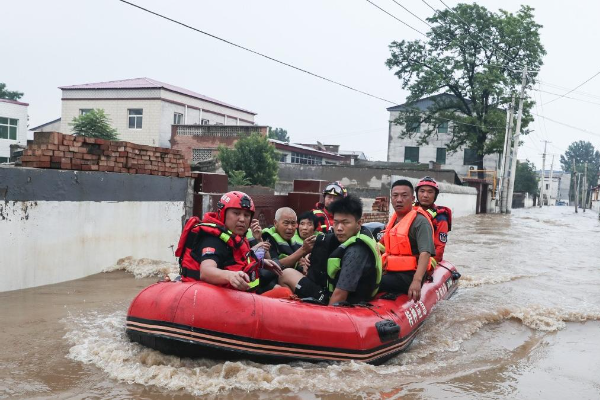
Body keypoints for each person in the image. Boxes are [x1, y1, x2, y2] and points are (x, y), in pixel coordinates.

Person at [279, 195, 382, 305]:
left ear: (359, 223)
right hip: (328, 290)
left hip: (346, 302)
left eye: (345, 222)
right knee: (285, 273)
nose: (339, 228)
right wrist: (310, 258)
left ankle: (299, 312)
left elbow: (340, 294)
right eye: (336, 222)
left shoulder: (356, 251)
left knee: (285, 275)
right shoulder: (347, 236)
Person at [175, 191, 282, 291]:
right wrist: (229, 276)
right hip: (210, 295)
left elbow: (235, 260)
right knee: (282, 293)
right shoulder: (212, 240)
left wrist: (260, 262)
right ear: (222, 213)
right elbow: (206, 271)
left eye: (246, 215)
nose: (242, 219)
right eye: (236, 213)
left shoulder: (236, 236)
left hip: (237, 292)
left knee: (281, 290)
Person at [379, 180, 435, 301]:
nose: (399, 199)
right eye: (395, 196)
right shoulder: (393, 220)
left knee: (368, 282)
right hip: (391, 271)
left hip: (410, 274)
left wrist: (416, 281)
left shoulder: (420, 222)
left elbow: (425, 253)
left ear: (413, 198)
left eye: (404, 196)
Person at [415, 176, 452, 263]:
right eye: (422, 191)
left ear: (435, 195)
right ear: (417, 193)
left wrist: (428, 266)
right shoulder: (408, 211)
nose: (425, 195)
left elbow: (439, 247)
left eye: (430, 192)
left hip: (424, 260)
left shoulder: (440, 218)